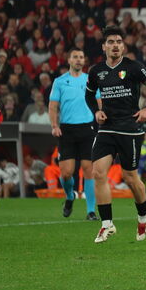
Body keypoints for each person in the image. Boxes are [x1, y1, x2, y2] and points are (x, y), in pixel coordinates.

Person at [84, 26, 146, 244]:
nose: (115, 45)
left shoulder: (134, 67)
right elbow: (89, 95)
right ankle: (107, 224)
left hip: (130, 128)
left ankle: (143, 216)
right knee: (98, 173)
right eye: (111, 42)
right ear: (104, 47)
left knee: (130, 178)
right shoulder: (96, 71)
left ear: (123, 46)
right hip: (107, 129)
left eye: (119, 41)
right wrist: (96, 111)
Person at [49, 49, 98, 219]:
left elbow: (99, 102)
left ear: (84, 61)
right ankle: (70, 196)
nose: (78, 60)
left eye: (81, 57)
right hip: (67, 130)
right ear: (69, 60)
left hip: (87, 128)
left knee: (89, 170)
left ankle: (90, 211)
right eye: (75, 57)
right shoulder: (60, 81)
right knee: (66, 173)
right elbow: (53, 106)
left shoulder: (90, 80)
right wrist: (54, 125)